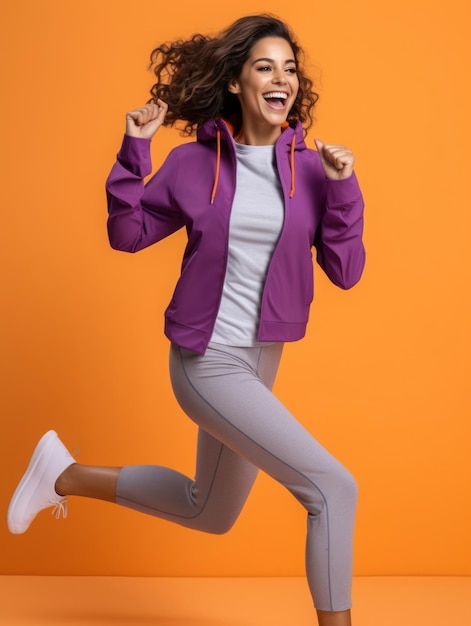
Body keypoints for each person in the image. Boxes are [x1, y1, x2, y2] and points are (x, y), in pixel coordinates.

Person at [7, 14, 365, 626]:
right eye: (264, 66)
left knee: (209, 511)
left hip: (261, 361)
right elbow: (128, 234)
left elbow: (346, 269)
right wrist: (133, 150)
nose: (282, 78)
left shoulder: (312, 168)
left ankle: (63, 473)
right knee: (333, 489)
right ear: (235, 83)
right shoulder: (195, 164)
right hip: (207, 361)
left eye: (289, 68)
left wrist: (345, 189)